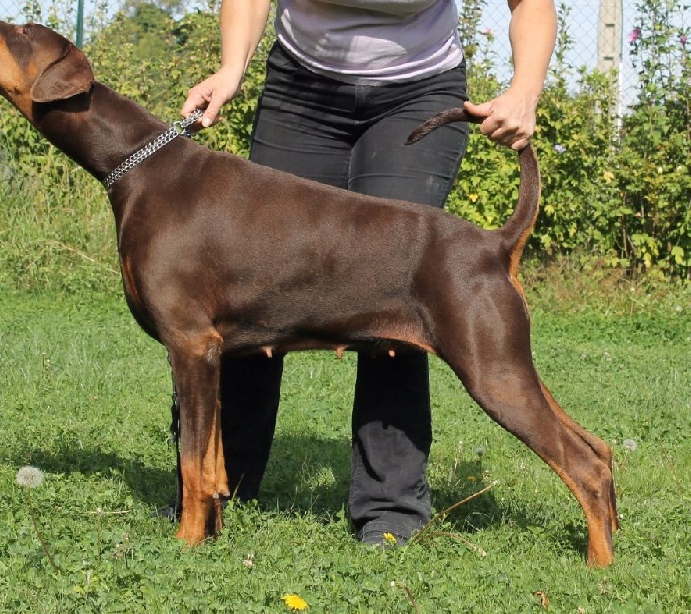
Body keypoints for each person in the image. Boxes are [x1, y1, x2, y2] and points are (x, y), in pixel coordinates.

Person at [179, 0, 556, 546]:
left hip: (418, 88)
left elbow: (532, 5)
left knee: (401, 291)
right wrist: (232, 65)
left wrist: (525, 90)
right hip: (302, 88)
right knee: (254, 282)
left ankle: (390, 510)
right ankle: (215, 490)